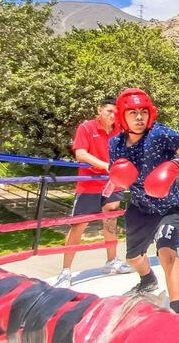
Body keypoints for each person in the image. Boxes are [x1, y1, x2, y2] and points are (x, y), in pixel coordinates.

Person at [106, 88, 179, 315]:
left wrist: (175, 166)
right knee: (132, 258)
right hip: (140, 207)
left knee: (167, 252)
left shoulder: (159, 134)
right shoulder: (115, 144)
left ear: (150, 113)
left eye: (143, 112)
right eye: (132, 113)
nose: (139, 117)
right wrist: (116, 181)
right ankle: (148, 280)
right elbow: (117, 176)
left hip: (169, 207)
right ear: (122, 116)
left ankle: (178, 310)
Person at [54, 97, 132, 289]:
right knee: (79, 226)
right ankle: (65, 271)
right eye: (109, 111)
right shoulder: (86, 127)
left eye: (116, 112)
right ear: (99, 110)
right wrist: (106, 166)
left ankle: (112, 261)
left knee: (110, 220)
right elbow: (80, 154)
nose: (112, 116)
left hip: (112, 183)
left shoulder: (119, 129)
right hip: (89, 184)